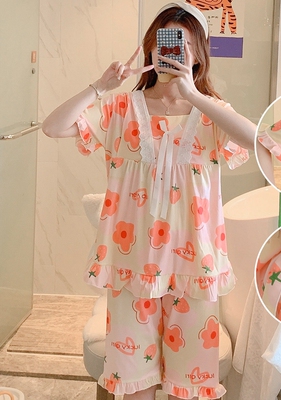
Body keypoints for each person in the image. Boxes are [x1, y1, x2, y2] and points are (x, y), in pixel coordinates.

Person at [42, 3, 255, 400]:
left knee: (188, 390)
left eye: (182, 45)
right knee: (134, 388)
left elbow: (254, 140)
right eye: (163, 41)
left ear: (199, 54)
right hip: (133, 268)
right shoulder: (121, 109)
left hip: (194, 269)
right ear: (150, 48)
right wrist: (99, 87)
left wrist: (193, 93)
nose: (170, 51)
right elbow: (53, 127)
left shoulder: (213, 115)